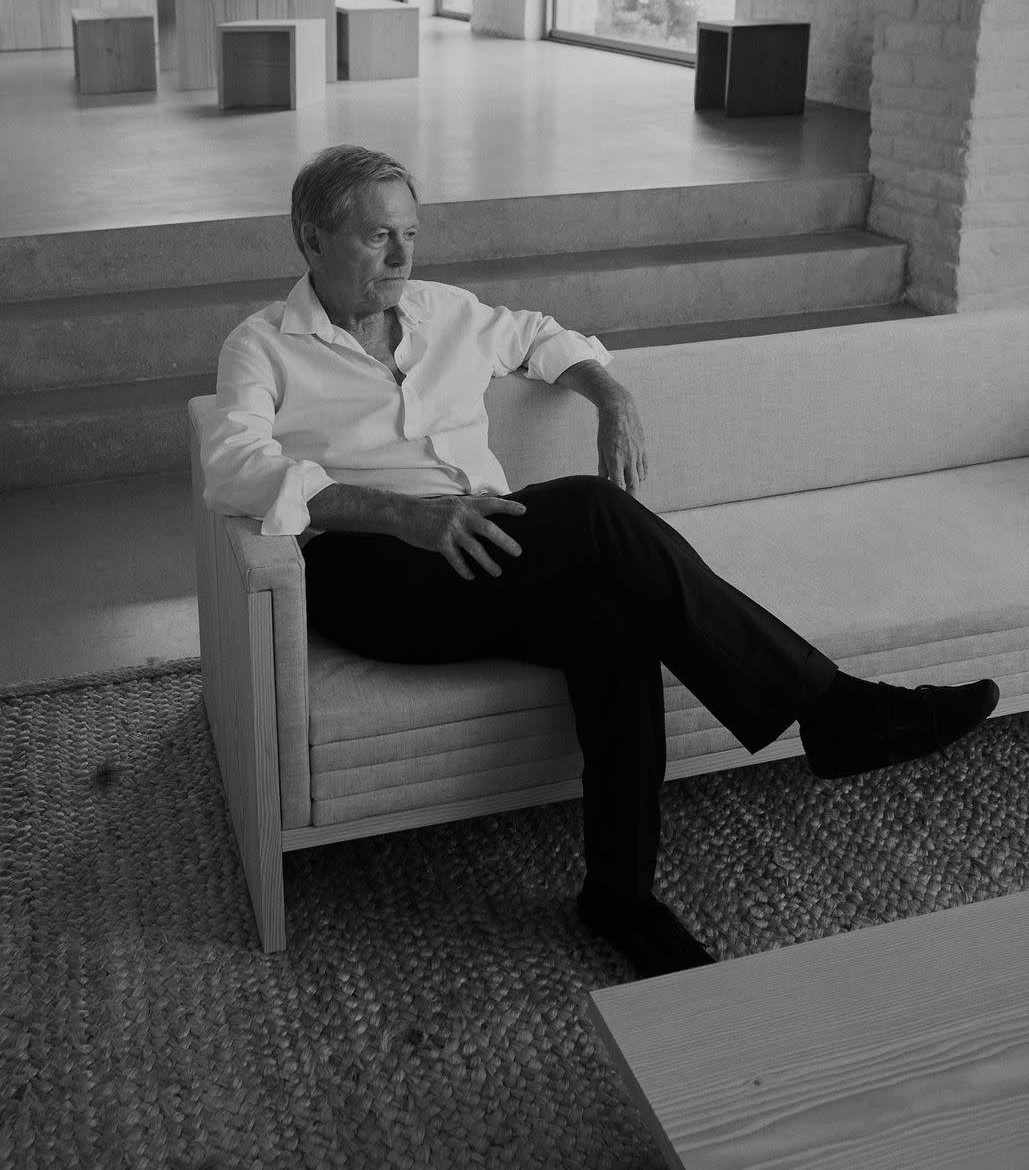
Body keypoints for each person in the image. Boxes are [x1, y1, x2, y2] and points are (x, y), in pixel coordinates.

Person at [202, 144, 1000, 978]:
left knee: (609, 623)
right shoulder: (262, 346)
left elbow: (542, 337)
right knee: (588, 506)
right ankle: (832, 708)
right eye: (376, 239)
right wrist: (401, 514)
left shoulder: (443, 311)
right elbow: (234, 467)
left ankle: (620, 894)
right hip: (369, 575)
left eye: (410, 233)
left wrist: (610, 396)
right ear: (311, 238)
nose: (402, 258)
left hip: (484, 555)